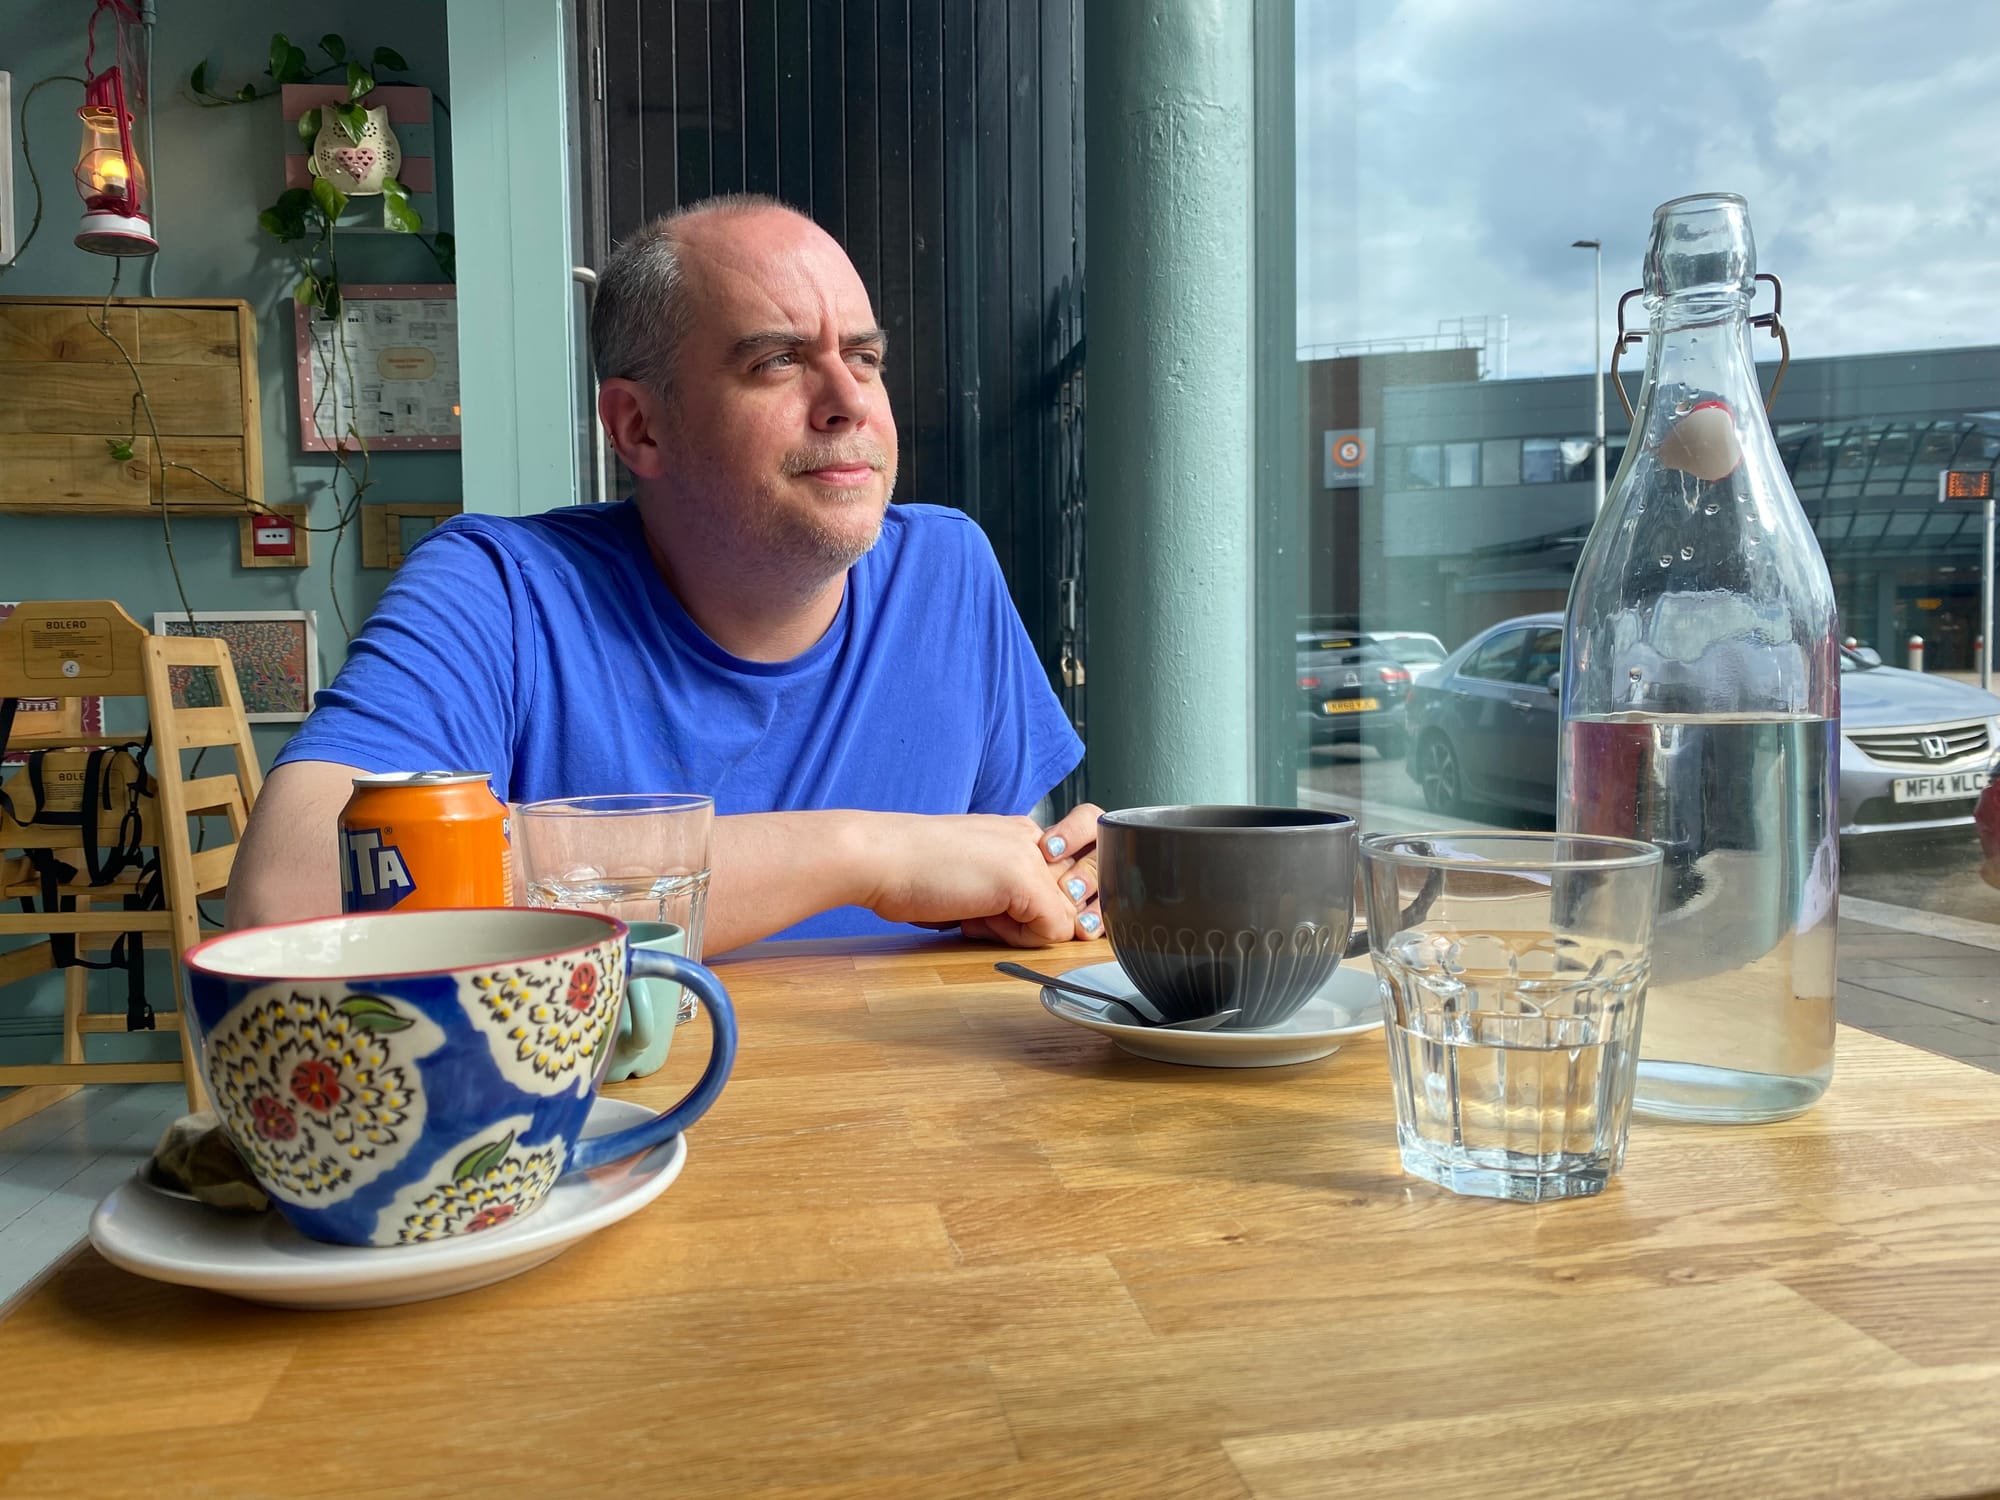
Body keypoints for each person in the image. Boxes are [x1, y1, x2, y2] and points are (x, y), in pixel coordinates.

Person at [227, 194, 1103, 951]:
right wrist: (861, 855)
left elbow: (1002, 866)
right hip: (609, 1129)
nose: (850, 401)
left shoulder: (946, 571)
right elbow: (294, 889)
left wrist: (1069, 879)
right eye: (778, 361)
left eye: (865, 358)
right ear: (640, 428)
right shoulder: (499, 589)